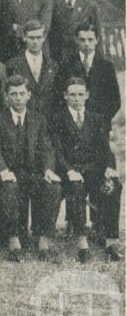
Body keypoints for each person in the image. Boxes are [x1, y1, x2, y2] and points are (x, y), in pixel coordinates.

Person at [0, 75, 60, 262]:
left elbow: (46, 147)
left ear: (29, 95)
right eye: (13, 94)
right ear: (6, 96)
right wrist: (3, 170)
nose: (18, 98)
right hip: (6, 174)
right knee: (10, 187)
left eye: (22, 94)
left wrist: (48, 170)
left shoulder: (38, 119)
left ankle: (44, 240)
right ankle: (13, 240)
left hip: (31, 173)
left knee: (53, 187)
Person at [52, 77, 122, 262]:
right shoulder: (57, 119)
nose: (76, 98)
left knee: (113, 185)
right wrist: (68, 170)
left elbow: (104, 148)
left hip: (92, 169)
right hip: (69, 170)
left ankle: (110, 240)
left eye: (80, 94)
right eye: (72, 94)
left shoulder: (96, 119)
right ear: (65, 96)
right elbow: (57, 151)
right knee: (75, 188)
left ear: (87, 95)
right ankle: (82, 241)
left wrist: (108, 168)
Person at [55, 23, 120, 123]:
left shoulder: (107, 67)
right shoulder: (66, 65)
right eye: (82, 40)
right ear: (76, 40)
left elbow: (115, 100)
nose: (86, 44)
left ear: (97, 40)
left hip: (99, 125)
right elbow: (59, 95)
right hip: (73, 124)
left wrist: (100, 121)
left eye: (90, 39)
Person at [49, 0, 102, 68]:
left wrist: (98, 65)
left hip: (82, 60)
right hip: (58, 61)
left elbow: (98, 38)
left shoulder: (90, 6)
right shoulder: (51, 4)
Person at [4, 19, 59, 115]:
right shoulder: (12, 65)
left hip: (48, 119)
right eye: (31, 38)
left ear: (44, 37)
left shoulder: (53, 65)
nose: (35, 42)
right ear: (24, 37)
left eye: (38, 37)